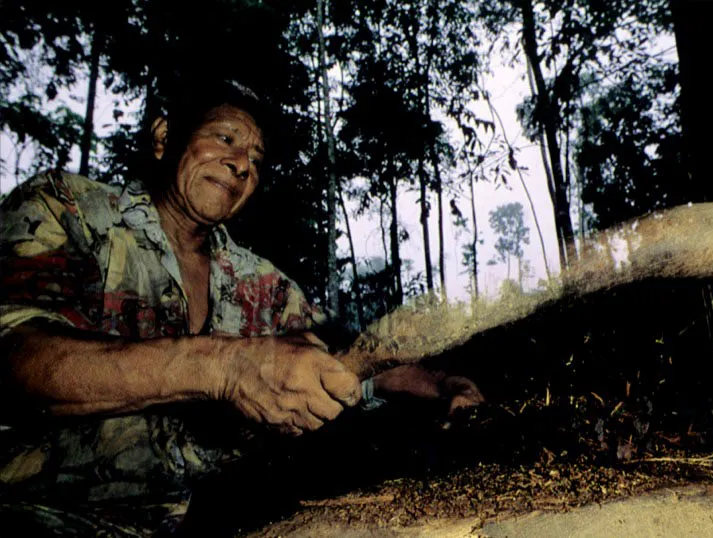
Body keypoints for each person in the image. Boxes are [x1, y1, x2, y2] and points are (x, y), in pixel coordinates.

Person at [0, 79, 483, 536]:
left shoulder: (260, 282)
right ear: (165, 138)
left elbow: (346, 360)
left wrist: (443, 385)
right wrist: (224, 367)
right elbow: (13, 357)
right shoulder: (69, 208)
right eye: (225, 138)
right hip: (37, 511)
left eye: (255, 157)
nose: (242, 164)